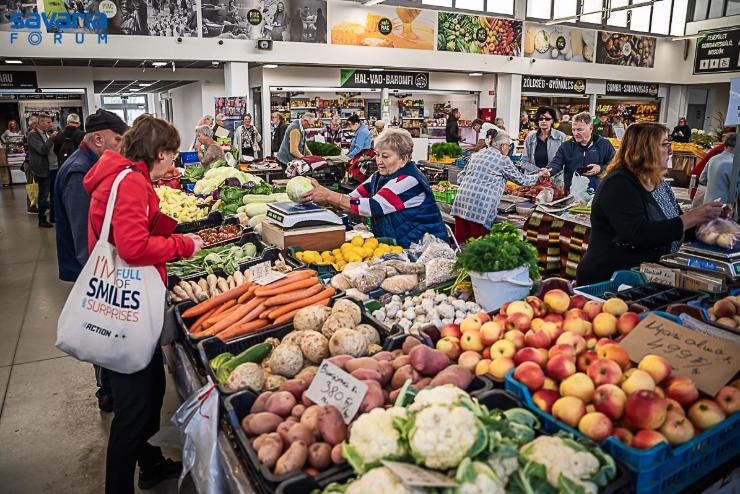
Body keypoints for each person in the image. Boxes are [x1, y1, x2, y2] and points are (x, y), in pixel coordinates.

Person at [83, 115, 204, 494]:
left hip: (129, 300)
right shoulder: (131, 181)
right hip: (126, 305)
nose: (173, 163)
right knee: (133, 408)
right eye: (170, 155)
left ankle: (150, 465)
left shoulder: (122, 174)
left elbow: (134, 226)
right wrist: (183, 245)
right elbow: (133, 247)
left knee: (150, 389)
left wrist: (178, 228)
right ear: (157, 153)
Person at [576, 123, 724, 285]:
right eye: (664, 144)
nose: (670, 150)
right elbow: (638, 234)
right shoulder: (619, 184)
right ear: (645, 149)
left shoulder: (659, 184)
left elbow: (677, 228)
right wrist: (692, 217)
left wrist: (711, 222)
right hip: (611, 279)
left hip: (649, 275)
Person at [53, 109, 128, 413]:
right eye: (118, 139)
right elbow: (85, 238)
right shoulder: (79, 172)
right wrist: (102, 279)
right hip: (92, 270)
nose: (122, 146)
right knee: (102, 331)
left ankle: (109, 386)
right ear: (99, 138)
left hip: (94, 267)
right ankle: (107, 391)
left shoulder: (90, 164)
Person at [298, 128, 449, 247]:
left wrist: (329, 195)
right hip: (399, 245)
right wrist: (319, 196)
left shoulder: (409, 180)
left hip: (423, 249)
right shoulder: (379, 176)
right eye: (377, 155)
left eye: (385, 156)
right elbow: (352, 199)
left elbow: (373, 206)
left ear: (403, 159)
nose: (379, 161)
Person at [452, 129, 548, 244]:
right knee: (477, 250)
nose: (509, 148)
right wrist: (539, 175)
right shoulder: (503, 160)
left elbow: (460, 178)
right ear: (502, 146)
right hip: (479, 209)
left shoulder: (476, 155)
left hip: (461, 204)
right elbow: (522, 180)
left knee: (460, 246)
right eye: (509, 145)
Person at [545, 112, 616, 192]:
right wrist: (547, 171)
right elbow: (556, 163)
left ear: (591, 128)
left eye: (580, 130)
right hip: (571, 193)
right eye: (573, 129)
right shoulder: (566, 146)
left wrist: (600, 168)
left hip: (597, 193)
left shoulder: (604, 144)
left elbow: (615, 165)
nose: (575, 133)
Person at [27, 113, 59, 228]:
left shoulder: (46, 133)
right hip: (44, 170)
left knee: (55, 194)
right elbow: (42, 150)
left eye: (50, 122)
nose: (50, 125)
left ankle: (53, 216)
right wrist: (51, 139)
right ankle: (42, 219)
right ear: (40, 122)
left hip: (54, 168)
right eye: (48, 122)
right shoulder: (33, 135)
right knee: (43, 195)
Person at [522, 107, 566, 172]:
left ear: (552, 120)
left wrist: (549, 172)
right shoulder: (529, 139)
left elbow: (564, 160)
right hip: (534, 177)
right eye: (541, 119)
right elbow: (524, 162)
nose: (543, 121)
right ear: (537, 120)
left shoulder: (561, 137)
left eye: (547, 119)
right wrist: (539, 171)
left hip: (555, 178)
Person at [701, 133, 737, 205]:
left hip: (707, 203)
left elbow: (702, 179)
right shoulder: (733, 164)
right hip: (722, 206)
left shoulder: (713, 158)